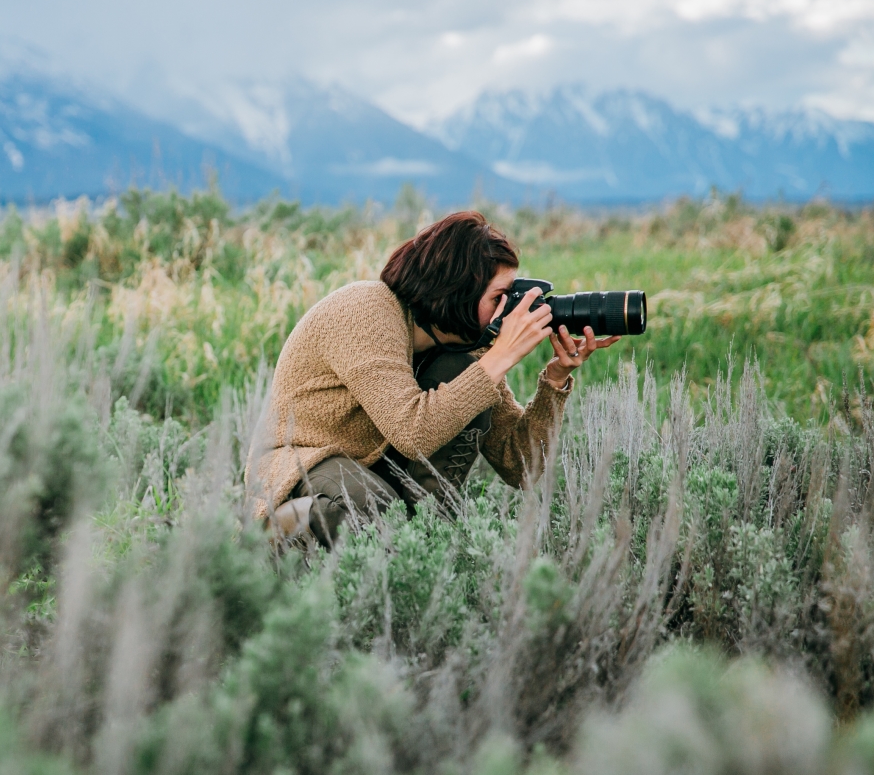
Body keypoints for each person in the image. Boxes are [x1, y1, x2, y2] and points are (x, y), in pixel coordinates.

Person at [247, 210, 620, 546]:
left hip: (370, 468)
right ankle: (279, 531)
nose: (510, 310)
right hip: (302, 463)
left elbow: (519, 466)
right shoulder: (365, 310)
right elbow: (414, 433)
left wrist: (554, 382)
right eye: (500, 297)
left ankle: (424, 541)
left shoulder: (465, 349)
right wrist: (501, 354)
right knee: (370, 504)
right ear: (457, 291)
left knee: (395, 519)